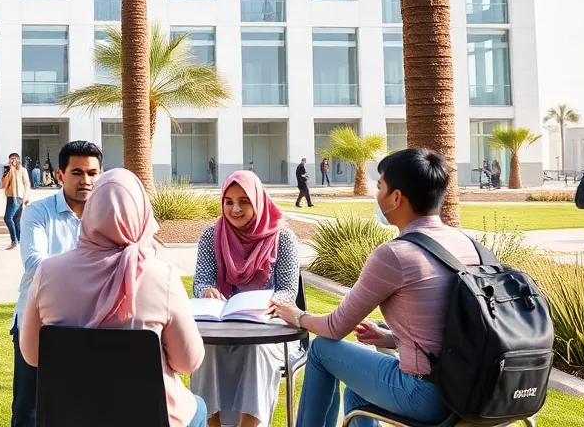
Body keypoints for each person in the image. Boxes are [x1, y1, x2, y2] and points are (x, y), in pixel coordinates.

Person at [269, 148, 475, 427]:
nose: (376, 196)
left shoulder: (396, 254)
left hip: (427, 394)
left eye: (380, 187)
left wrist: (294, 315)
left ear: (397, 197)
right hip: (473, 389)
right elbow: (451, 330)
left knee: (321, 350)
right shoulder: (469, 244)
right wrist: (390, 338)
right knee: (358, 393)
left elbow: (335, 328)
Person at [21, 169, 208, 427]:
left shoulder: (48, 273)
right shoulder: (161, 276)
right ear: (141, 213)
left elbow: (32, 355)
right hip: (151, 419)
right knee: (199, 407)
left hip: (72, 417)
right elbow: (188, 362)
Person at [192, 172, 301, 427]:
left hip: (268, 330)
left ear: (258, 201)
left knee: (256, 349)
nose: (235, 209)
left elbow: (287, 291)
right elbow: (201, 282)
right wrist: (206, 291)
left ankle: (249, 424)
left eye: (244, 201)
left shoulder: (282, 237)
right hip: (222, 328)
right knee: (203, 348)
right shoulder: (212, 235)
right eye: (228, 202)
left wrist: (265, 305)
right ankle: (212, 423)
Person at [10, 140, 104, 427]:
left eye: (92, 173)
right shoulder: (38, 212)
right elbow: (36, 265)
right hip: (37, 323)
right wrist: (94, 272)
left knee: (85, 409)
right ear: (60, 175)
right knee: (29, 412)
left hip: (90, 324)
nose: (86, 181)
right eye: (77, 172)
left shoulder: (107, 215)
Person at [2, 152, 32, 250]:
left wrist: (26, 197)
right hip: (10, 196)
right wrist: (10, 170)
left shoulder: (22, 170)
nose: (12, 160)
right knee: (16, 220)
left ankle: (14, 240)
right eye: (10, 158)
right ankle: (20, 241)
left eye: (14, 158)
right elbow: (3, 183)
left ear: (18, 160)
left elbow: (27, 184)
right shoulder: (8, 170)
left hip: (17, 197)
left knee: (7, 218)